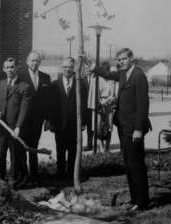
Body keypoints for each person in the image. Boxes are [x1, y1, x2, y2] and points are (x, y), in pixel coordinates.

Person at [92, 48, 151, 211]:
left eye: (124, 59)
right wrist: (94, 68)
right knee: (128, 164)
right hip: (123, 126)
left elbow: (143, 105)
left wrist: (139, 129)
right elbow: (108, 75)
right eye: (118, 60)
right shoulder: (124, 74)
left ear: (132, 58)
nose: (121, 62)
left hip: (133, 129)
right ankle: (135, 199)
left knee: (136, 164)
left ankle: (142, 202)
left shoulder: (138, 76)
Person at [0, 57, 31, 189]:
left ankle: (13, 181)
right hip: (2, 128)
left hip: (14, 130)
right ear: (3, 69)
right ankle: (0, 179)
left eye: (12, 67)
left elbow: (24, 109)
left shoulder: (24, 86)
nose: (9, 70)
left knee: (15, 157)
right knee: (0, 155)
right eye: (7, 67)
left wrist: (19, 126)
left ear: (16, 68)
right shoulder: (0, 84)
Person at [49, 57, 88, 180]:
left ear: (74, 68)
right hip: (59, 124)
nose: (68, 69)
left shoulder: (80, 84)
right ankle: (60, 175)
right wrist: (51, 122)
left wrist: (84, 123)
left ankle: (72, 175)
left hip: (74, 124)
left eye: (70, 67)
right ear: (61, 68)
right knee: (60, 151)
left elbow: (84, 104)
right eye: (65, 67)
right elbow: (51, 106)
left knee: (73, 151)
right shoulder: (55, 84)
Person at [19, 51, 51, 184]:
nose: (34, 63)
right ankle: (23, 176)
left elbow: (48, 101)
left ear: (40, 62)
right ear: (27, 61)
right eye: (32, 60)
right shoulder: (20, 76)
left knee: (34, 147)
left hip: (38, 119)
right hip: (23, 119)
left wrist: (48, 119)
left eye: (37, 61)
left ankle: (34, 175)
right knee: (22, 147)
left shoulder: (45, 77)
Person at [87, 61, 116, 153]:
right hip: (98, 107)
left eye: (107, 69)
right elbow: (94, 95)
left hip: (109, 106)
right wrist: (100, 102)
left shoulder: (112, 80)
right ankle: (101, 148)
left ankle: (107, 148)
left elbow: (114, 93)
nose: (106, 71)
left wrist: (111, 99)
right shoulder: (95, 80)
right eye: (104, 69)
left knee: (109, 128)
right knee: (98, 128)